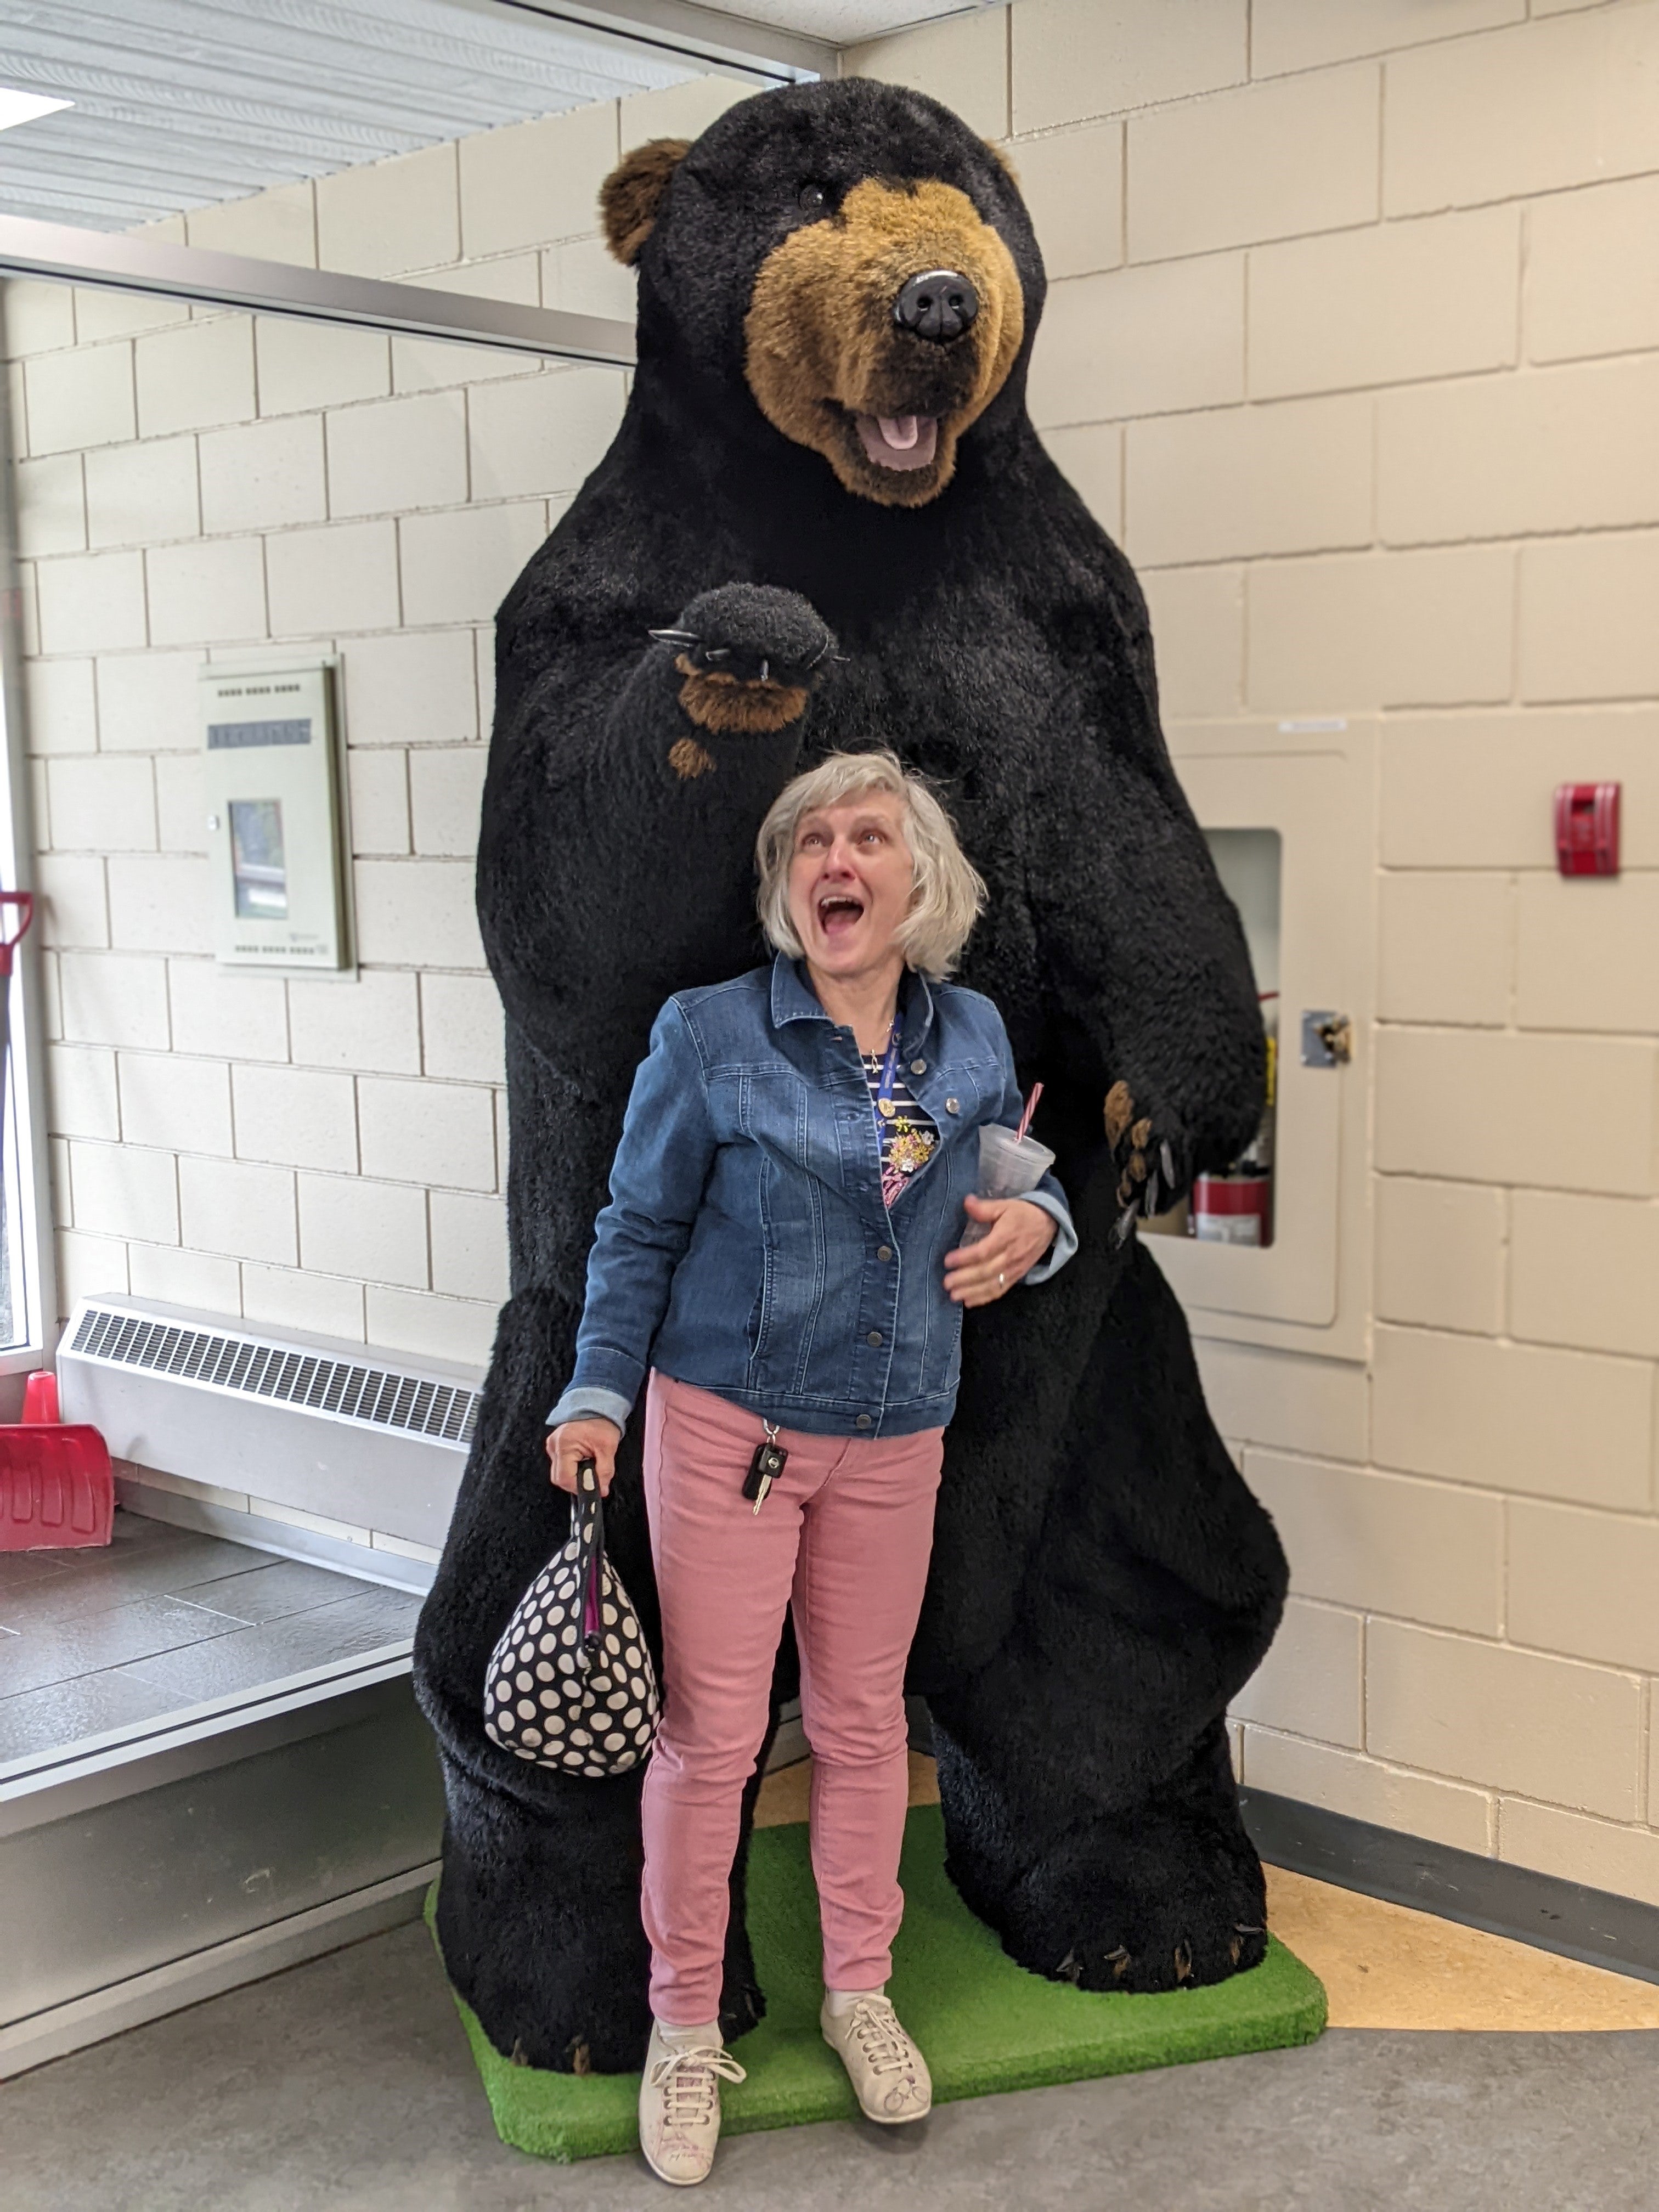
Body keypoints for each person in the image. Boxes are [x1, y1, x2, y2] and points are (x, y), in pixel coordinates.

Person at [545, 749, 1075, 2187]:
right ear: (791, 886)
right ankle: (679, 2027)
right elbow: (635, 1229)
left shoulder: (966, 1034)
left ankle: (858, 1991)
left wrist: (1039, 1229)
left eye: (868, 837)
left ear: (919, 883)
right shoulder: (709, 1038)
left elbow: (1010, 1172)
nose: (838, 860)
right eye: (812, 843)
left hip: (903, 1430)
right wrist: (596, 1391)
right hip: (734, 1433)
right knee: (714, 1741)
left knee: (859, 1724)